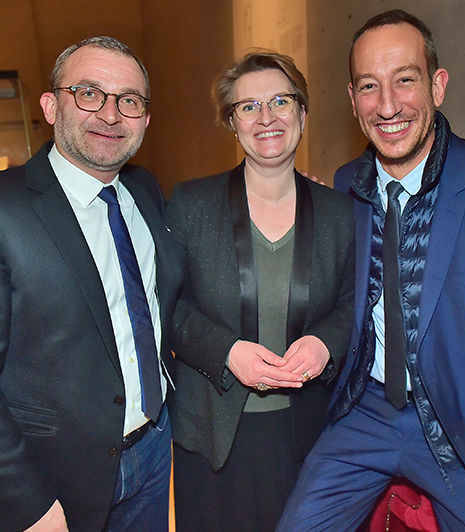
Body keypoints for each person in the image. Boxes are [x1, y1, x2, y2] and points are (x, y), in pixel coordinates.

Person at [277, 9, 465, 532]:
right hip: (365, 410)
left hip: (462, 428)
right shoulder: (345, 187)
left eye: (405, 80)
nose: (388, 105)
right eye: (370, 86)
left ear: (437, 86)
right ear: (352, 100)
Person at [0, 36, 181, 532]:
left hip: (152, 451)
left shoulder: (144, 190)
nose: (110, 114)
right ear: (50, 105)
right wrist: (25, 505)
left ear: (145, 119)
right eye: (89, 93)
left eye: (129, 100)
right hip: (50, 481)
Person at [164, 50, 354, 532]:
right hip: (212, 436)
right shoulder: (189, 205)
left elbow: (355, 302)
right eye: (248, 106)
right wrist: (226, 352)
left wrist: (325, 343)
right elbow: (167, 307)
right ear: (232, 122)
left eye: (280, 101)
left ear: (302, 112)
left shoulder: (341, 213)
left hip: (306, 433)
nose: (266, 117)